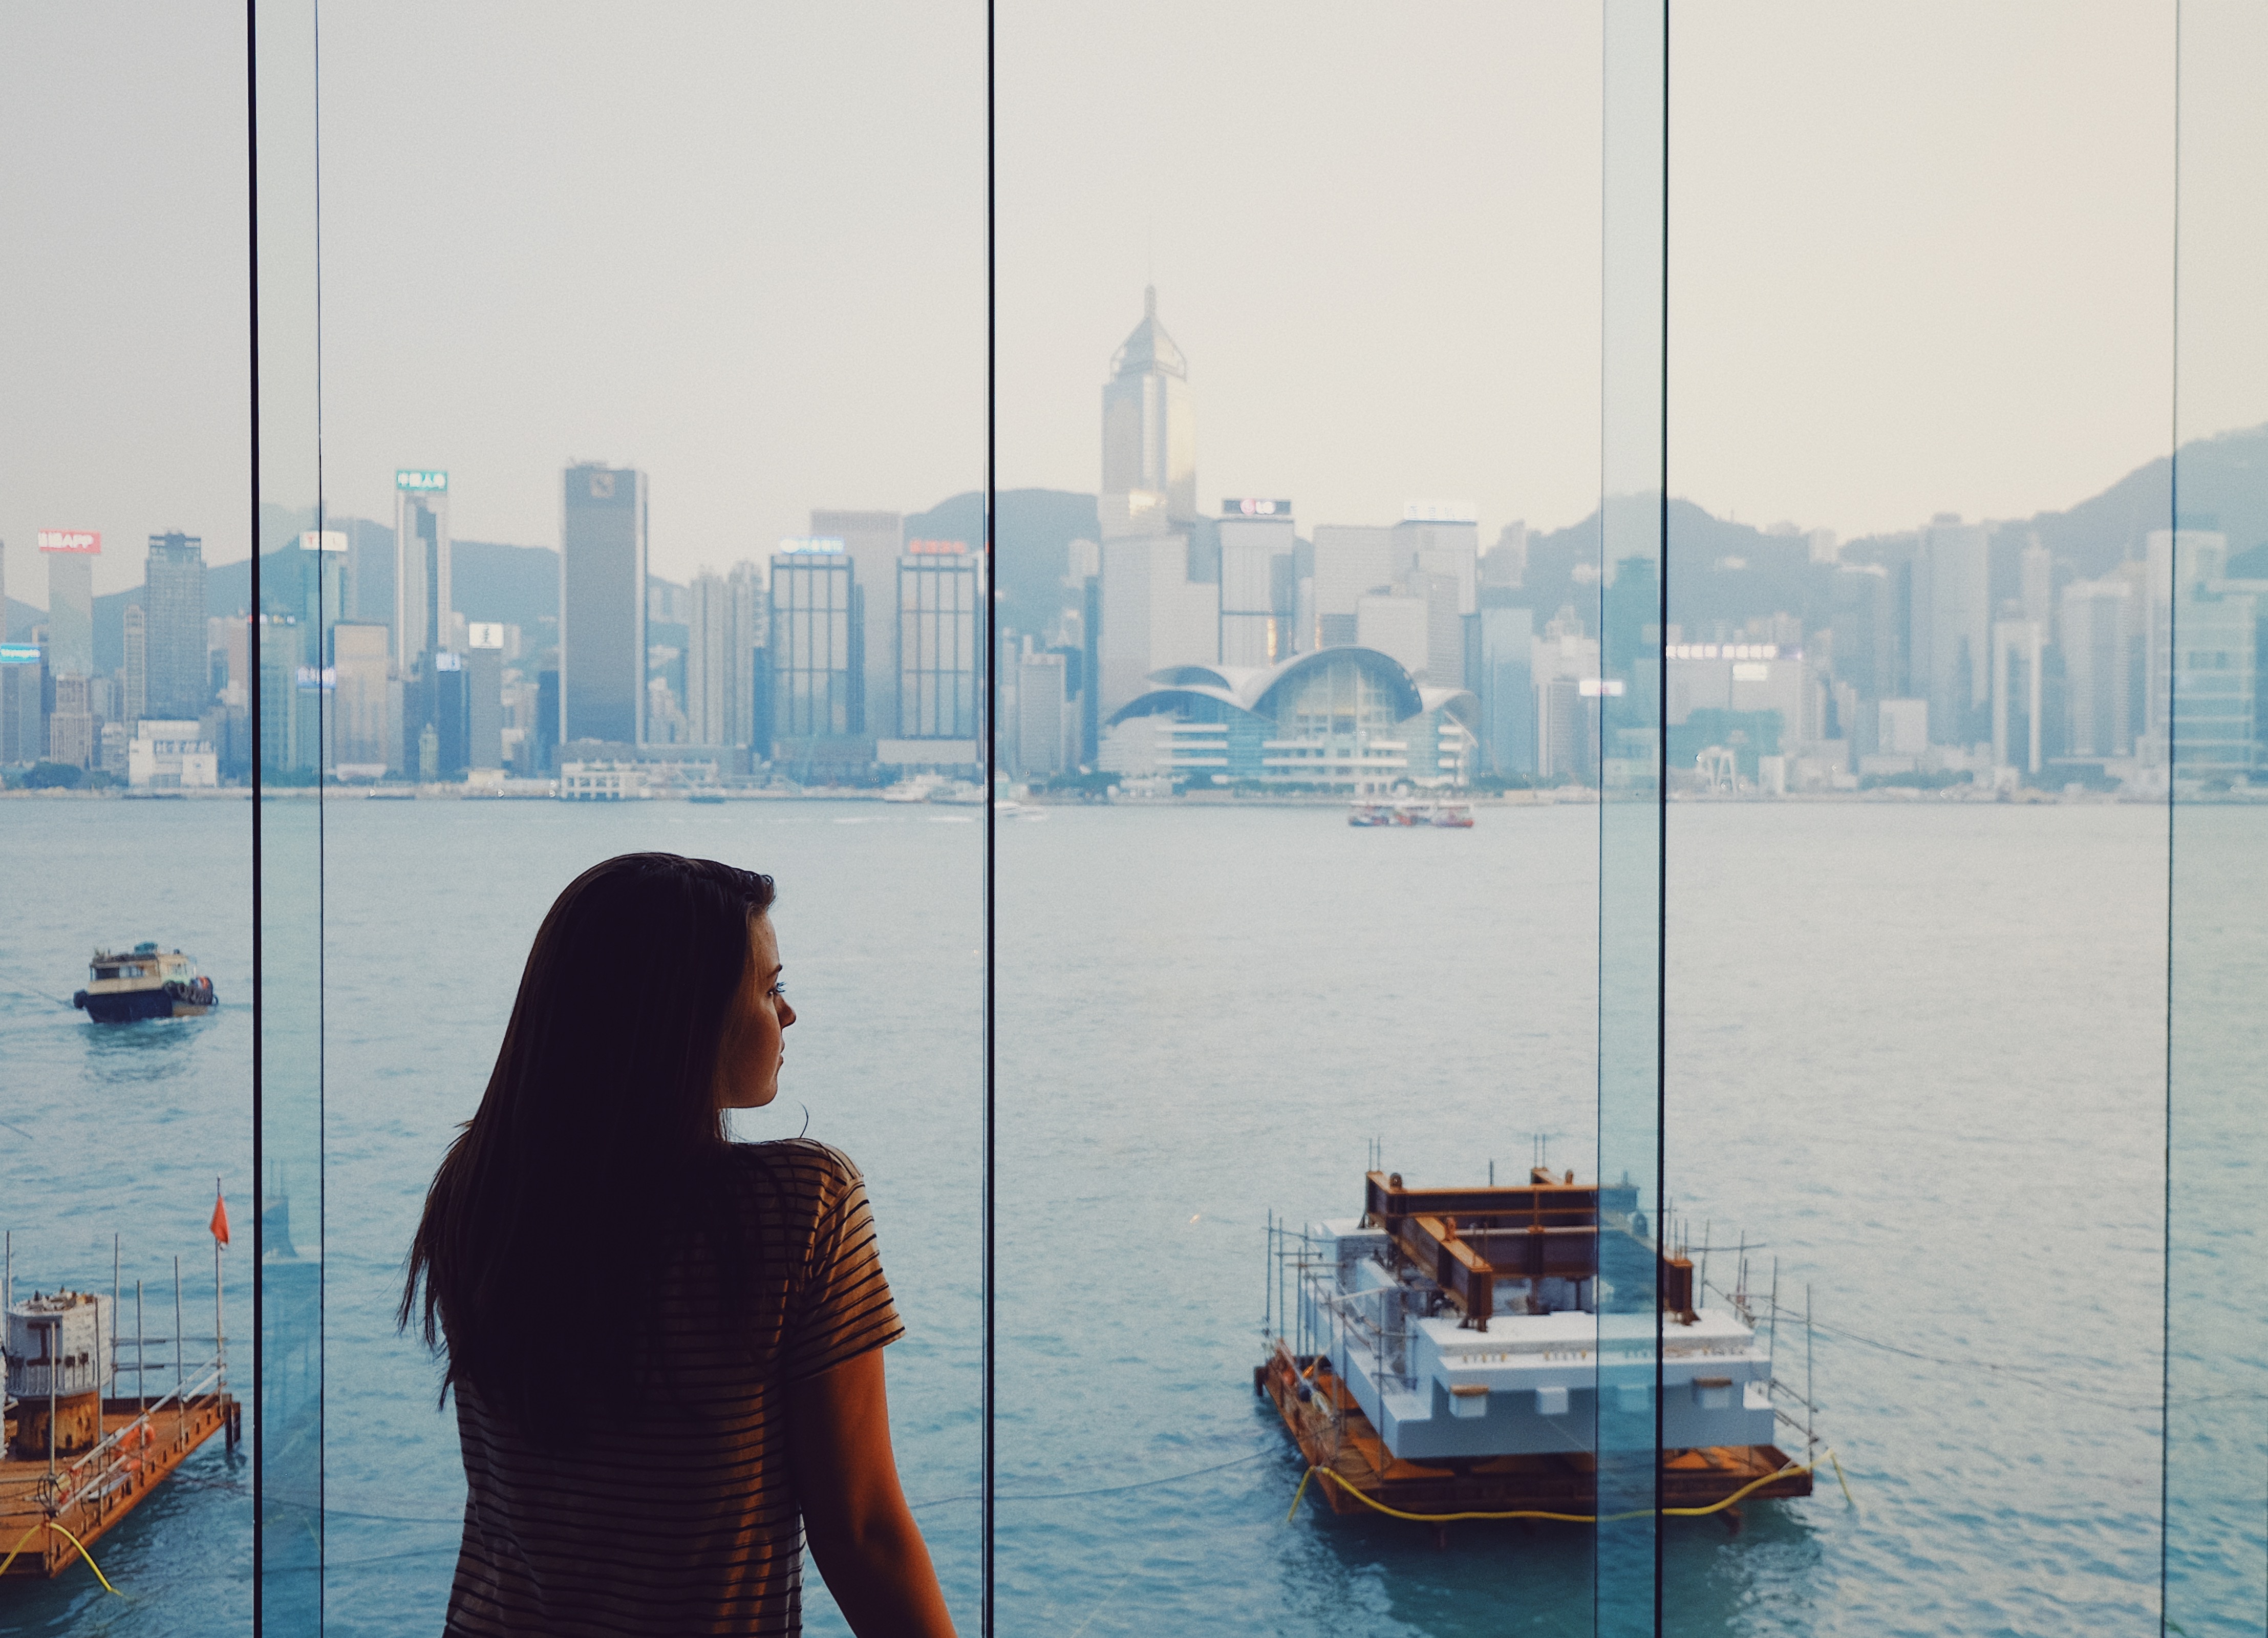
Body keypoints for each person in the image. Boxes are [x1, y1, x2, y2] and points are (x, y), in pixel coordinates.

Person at [402, 853, 956, 1637]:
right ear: (684, 1020)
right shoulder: (800, 1207)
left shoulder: (482, 1190)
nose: (789, 1014)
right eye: (770, 989)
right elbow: (860, 1529)